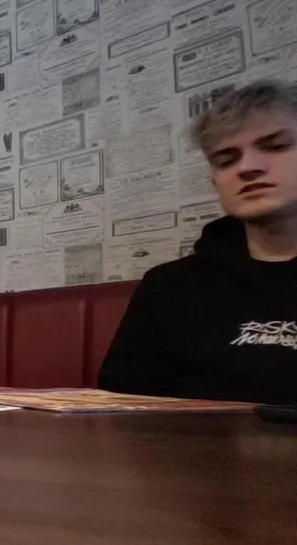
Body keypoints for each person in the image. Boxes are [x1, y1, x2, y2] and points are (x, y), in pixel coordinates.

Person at [99, 81, 297, 404]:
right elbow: (121, 403)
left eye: (276, 146)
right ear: (215, 182)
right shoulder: (168, 287)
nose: (247, 167)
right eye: (226, 160)